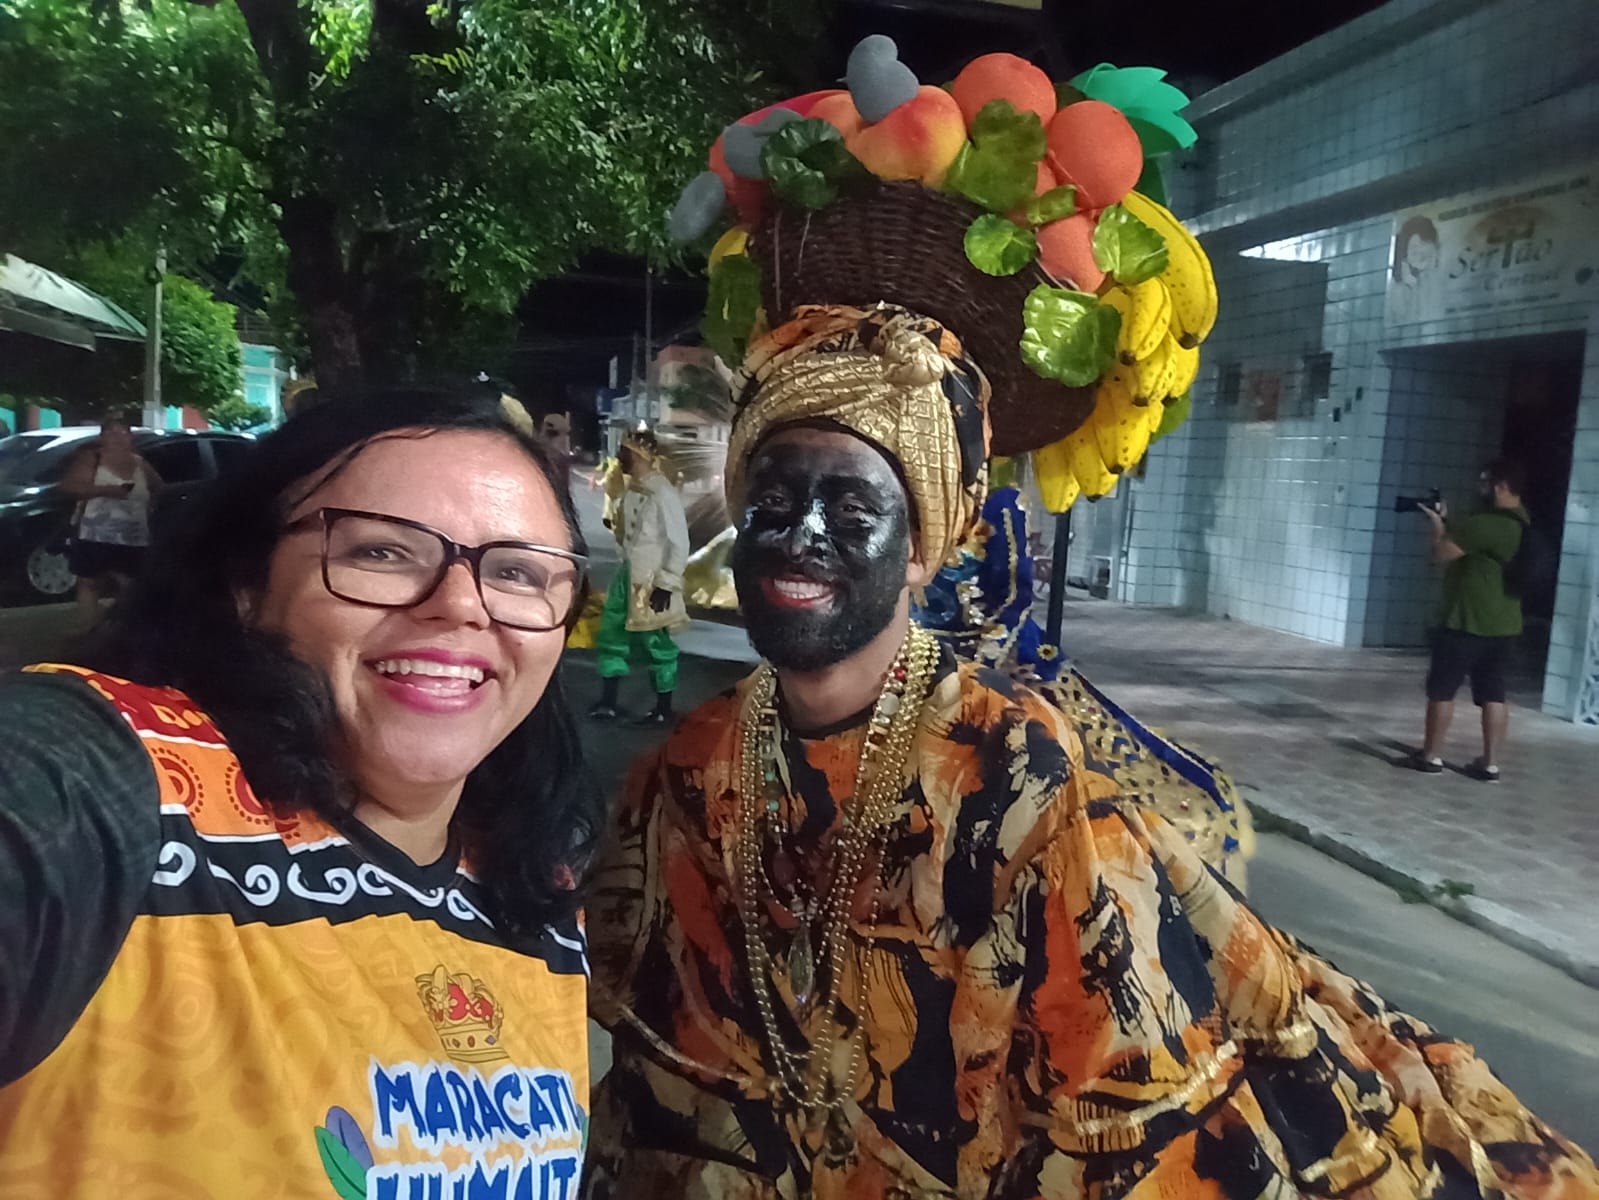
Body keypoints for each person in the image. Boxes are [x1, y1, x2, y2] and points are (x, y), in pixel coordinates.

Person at [583, 45, 1597, 1197]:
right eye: (771, 501)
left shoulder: (1014, 783)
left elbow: (1121, 1133)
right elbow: (649, 1069)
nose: (799, 535)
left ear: (922, 549)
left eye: (851, 507)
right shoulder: (694, 765)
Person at [1, 389, 601, 1195]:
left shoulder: (535, 892)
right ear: (247, 585)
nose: (461, 605)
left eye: (518, 571)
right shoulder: (112, 781)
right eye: (381, 552)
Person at [1405, 459, 1531, 781]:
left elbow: (1439, 556)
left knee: (1442, 689)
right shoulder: (1524, 522)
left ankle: (1431, 757)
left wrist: (1437, 525)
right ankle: (1490, 763)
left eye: (1485, 482)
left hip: (1465, 621)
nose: (1480, 488)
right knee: (1493, 693)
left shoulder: (1484, 524)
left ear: (1501, 486)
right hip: (1505, 624)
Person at [589, 425, 690, 727]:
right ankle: (608, 702)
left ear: (641, 456)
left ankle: (663, 708)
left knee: (657, 643)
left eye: (625, 452)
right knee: (611, 634)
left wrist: (667, 583)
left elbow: (678, 541)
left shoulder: (662, 492)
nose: (619, 458)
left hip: (650, 580)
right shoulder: (632, 488)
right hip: (627, 575)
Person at [61, 413, 163, 630]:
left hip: (134, 537)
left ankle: (125, 631)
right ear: (102, 437)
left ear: (130, 437)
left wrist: (150, 507)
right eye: (111, 432)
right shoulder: (92, 459)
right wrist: (108, 491)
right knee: (90, 582)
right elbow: (70, 487)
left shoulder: (140, 463)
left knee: (131, 585)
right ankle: (89, 630)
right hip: (94, 534)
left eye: (123, 432)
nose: (117, 436)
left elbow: (159, 487)